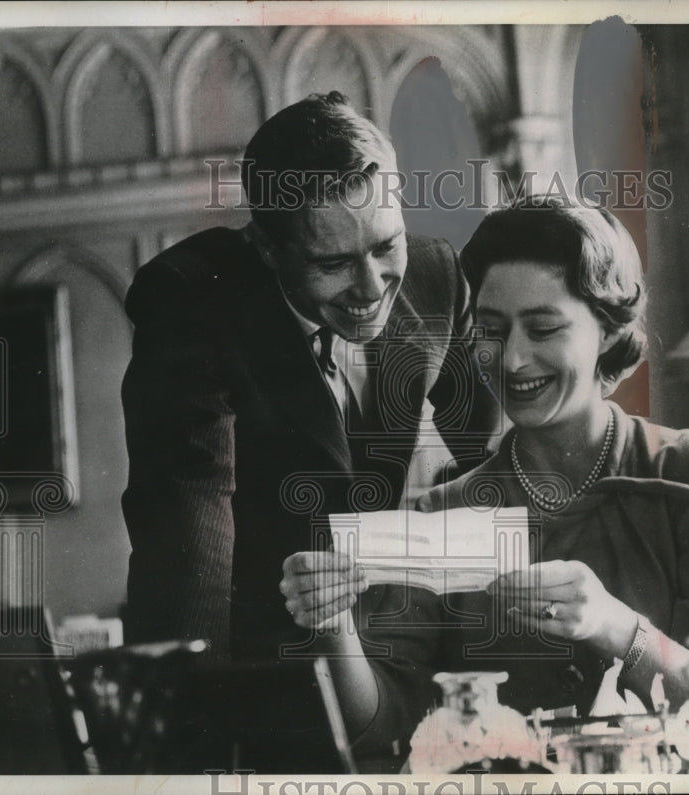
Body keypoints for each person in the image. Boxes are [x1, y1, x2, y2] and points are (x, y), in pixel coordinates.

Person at [279, 196, 689, 762]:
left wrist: (615, 626)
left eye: (542, 329)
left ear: (608, 331)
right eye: (491, 330)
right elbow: (379, 728)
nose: (511, 360)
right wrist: (333, 621)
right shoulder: (443, 512)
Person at [121, 91, 499, 664]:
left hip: (397, 642)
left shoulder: (436, 276)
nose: (372, 288)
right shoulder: (194, 300)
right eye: (333, 263)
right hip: (265, 664)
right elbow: (188, 536)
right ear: (267, 247)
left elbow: (499, 464)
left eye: (386, 245)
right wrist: (194, 702)